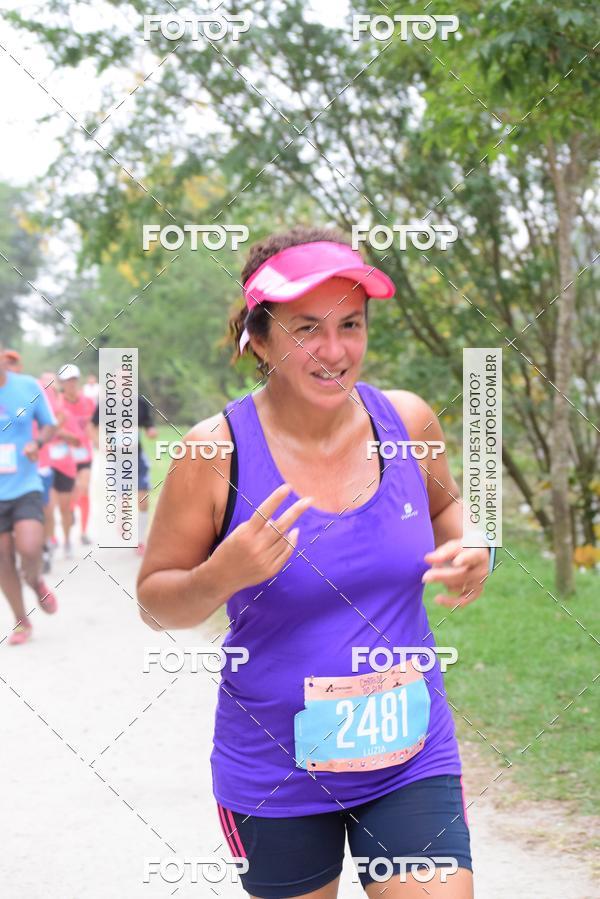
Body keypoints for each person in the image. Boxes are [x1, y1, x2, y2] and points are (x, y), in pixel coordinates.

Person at [137, 227, 493, 898]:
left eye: (351, 324)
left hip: (409, 753)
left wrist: (476, 546)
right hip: (276, 774)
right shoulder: (214, 453)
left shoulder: (409, 422)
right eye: (306, 329)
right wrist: (222, 575)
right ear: (260, 339)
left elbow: (451, 512)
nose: (335, 351)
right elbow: (155, 601)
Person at [0, 343, 58, 645]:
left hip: (25, 485)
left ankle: (35, 581)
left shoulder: (27, 386)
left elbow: (49, 425)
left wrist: (38, 444)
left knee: (30, 547)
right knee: (3, 557)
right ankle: (21, 621)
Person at [91, 393, 158, 555]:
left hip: (137, 457)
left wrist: (151, 432)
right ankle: (122, 517)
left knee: (143, 499)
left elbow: (149, 425)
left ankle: (141, 540)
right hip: (118, 458)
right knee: (124, 497)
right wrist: (99, 443)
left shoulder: (140, 402)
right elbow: (92, 426)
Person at [36, 372, 80, 562]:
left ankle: (67, 540)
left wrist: (61, 432)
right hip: (46, 466)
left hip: (65, 466)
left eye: (50, 386)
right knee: (48, 507)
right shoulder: (34, 414)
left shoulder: (65, 414)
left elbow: (78, 441)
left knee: (64, 508)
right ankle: (49, 542)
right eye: (44, 385)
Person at [58, 364, 95, 546]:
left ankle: (84, 531)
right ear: (61, 383)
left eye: (74, 380)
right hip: (65, 455)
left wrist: (96, 440)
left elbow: (92, 424)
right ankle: (70, 511)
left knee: (84, 486)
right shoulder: (57, 403)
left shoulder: (87, 401)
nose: (71, 384)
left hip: (84, 452)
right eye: (67, 380)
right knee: (71, 492)